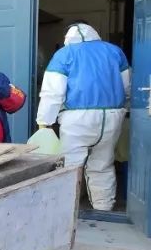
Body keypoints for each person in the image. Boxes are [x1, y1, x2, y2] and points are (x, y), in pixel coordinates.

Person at [37, 21, 130, 211]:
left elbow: (52, 92)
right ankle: (104, 207)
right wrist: (125, 107)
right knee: (103, 164)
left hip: (77, 118)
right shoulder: (114, 51)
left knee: (71, 166)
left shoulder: (64, 54)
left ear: (67, 37)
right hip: (113, 115)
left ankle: (66, 209)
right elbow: (126, 85)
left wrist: (44, 122)